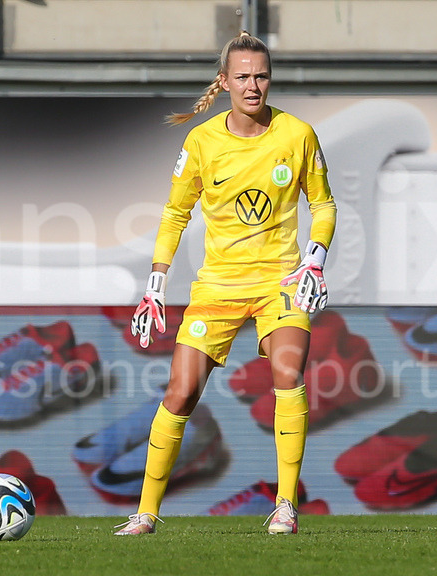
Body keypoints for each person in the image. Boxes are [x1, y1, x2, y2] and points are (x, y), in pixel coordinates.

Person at [116, 31, 337, 536]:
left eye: (261, 75)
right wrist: (155, 283)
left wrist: (316, 259)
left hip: (280, 280)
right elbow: (175, 213)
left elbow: (323, 204)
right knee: (180, 391)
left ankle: (285, 506)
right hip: (216, 287)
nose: (253, 85)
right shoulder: (201, 141)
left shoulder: (297, 134)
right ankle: (146, 513)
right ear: (224, 82)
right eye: (243, 76)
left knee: (288, 372)